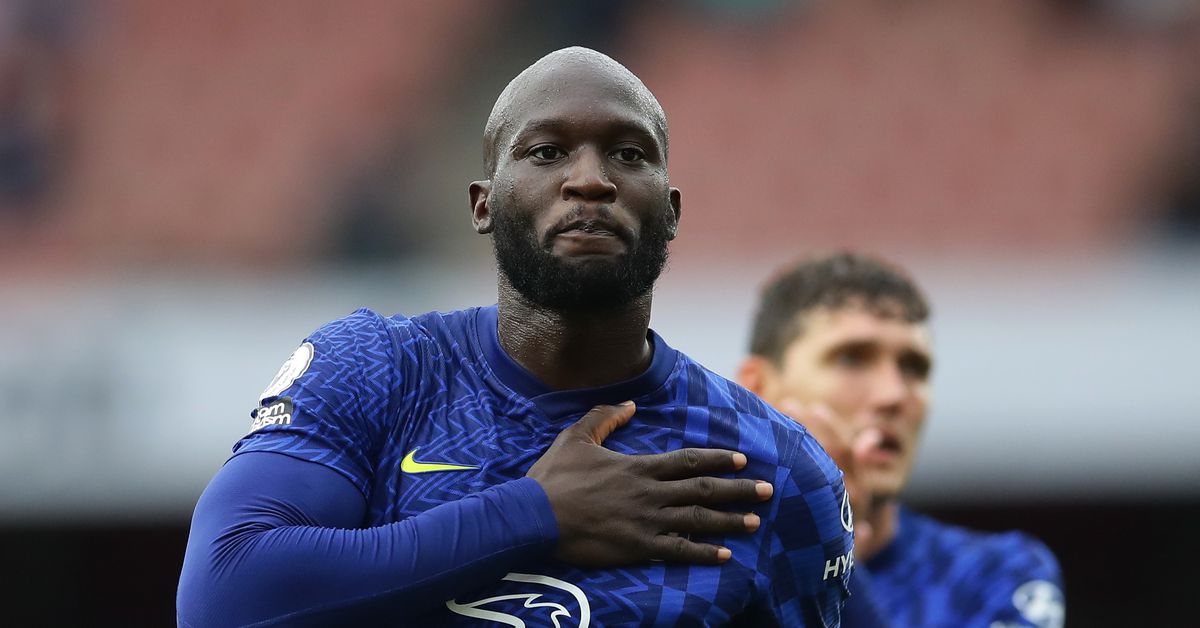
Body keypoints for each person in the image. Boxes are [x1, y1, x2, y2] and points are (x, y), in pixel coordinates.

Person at [176, 47, 853, 626]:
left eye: (628, 153)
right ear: (484, 203)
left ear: (670, 211)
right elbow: (224, 594)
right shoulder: (379, 370)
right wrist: (535, 513)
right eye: (547, 151)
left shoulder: (771, 469)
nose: (590, 180)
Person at [736, 252, 1066, 628]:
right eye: (851, 359)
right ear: (757, 390)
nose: (893, 395)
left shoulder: (995, 575)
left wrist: (831, 550)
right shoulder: (695, 565)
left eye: (914, 367)